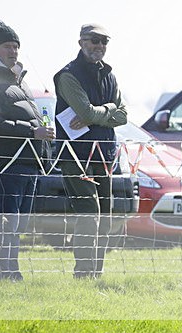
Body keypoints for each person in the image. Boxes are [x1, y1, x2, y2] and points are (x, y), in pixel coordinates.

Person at [53, 23, 127, 279]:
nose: (99, 46)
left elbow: (124, 115)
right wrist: (107, 111)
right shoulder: (67, 75)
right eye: (94, 40)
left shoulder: (110, 75)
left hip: (105, 155)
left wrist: (99, 112)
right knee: (89, 214)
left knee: (104, 217)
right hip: (76, 156)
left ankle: (96, 274)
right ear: (81, 42)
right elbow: (83, 112)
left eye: (104, 42)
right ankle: (82, 274)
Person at [0, 20, 54, 281]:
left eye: (16, 47)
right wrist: (31, 132)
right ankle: (5, 273)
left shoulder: (20, 81)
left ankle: (13, 271)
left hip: (30, 162)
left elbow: (35, 117)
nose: (14, 52)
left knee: (18, 224)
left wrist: (44, 134)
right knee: (6, 223)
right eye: (8, 46)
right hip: (7, 163)